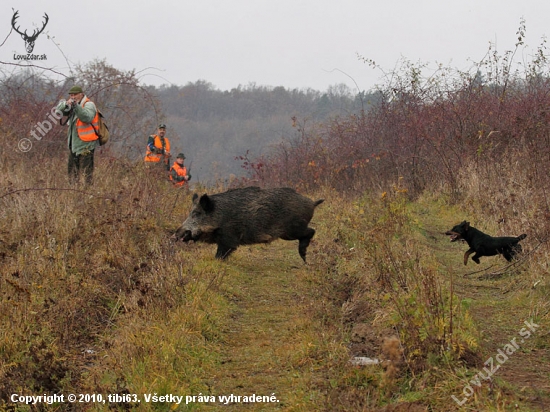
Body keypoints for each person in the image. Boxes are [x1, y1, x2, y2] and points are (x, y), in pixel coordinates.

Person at [57, 85, 100, 184]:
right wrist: (66, 105)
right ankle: (74, 192)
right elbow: (58, 111)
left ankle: (86, 192)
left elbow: (86, 118)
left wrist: (76, 106)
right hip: (74, 145)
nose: (73, 97)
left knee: (86, 174)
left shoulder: (89, 105)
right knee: (72, 174)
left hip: (86, 145)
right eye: (71, 95)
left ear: (81, 94)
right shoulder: (71, 104)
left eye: (75, 95)